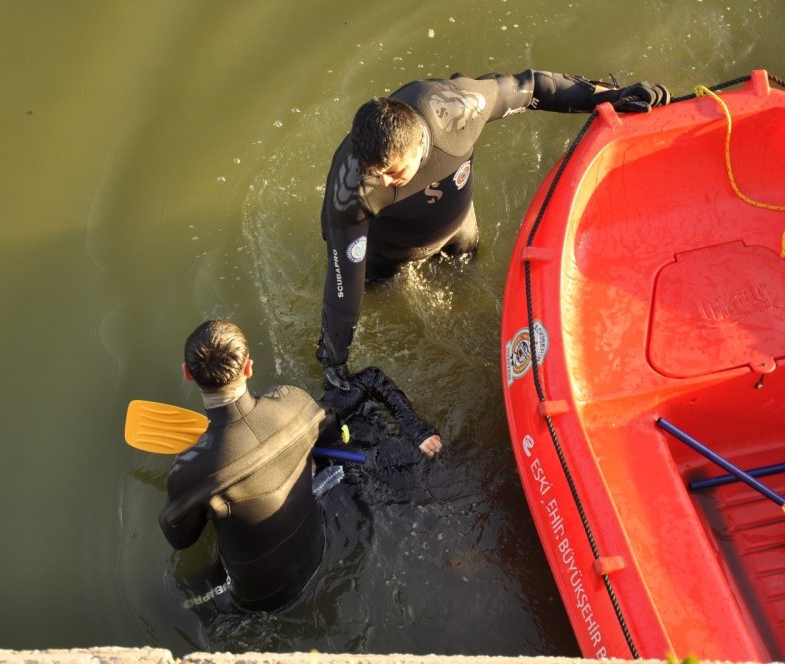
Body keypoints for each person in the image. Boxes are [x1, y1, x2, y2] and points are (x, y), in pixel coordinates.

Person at [316, 69, 670, 387]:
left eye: (393, 172)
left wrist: (611, 96)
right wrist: (334, 361)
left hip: (458, 230)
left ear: (416, 144)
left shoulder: (456, 109)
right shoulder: (352, 189)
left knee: (473, 281)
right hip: (388, 253)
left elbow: (531, 87)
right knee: (380, 298)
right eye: (376, 174)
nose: (384, 182)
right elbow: (342, 282)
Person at [159, 319, 441, 612]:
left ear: (187, 374)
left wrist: (198, 467)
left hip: (256, 602)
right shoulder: (294, 402)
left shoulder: (189, 471)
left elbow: (180, 538)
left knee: (170, 600)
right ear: (248, 368)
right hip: (322, 552)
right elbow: (330, 436)